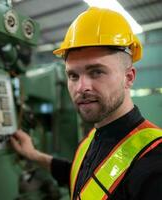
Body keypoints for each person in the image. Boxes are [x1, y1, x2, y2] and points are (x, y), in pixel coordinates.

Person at [10, 7, 162, 200]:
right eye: (73, 75)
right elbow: (77, 175)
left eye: (96, 72)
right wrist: (33, 154)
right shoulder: (91, 138)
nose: (81, 87)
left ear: (129, 77)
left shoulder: (154, 162)